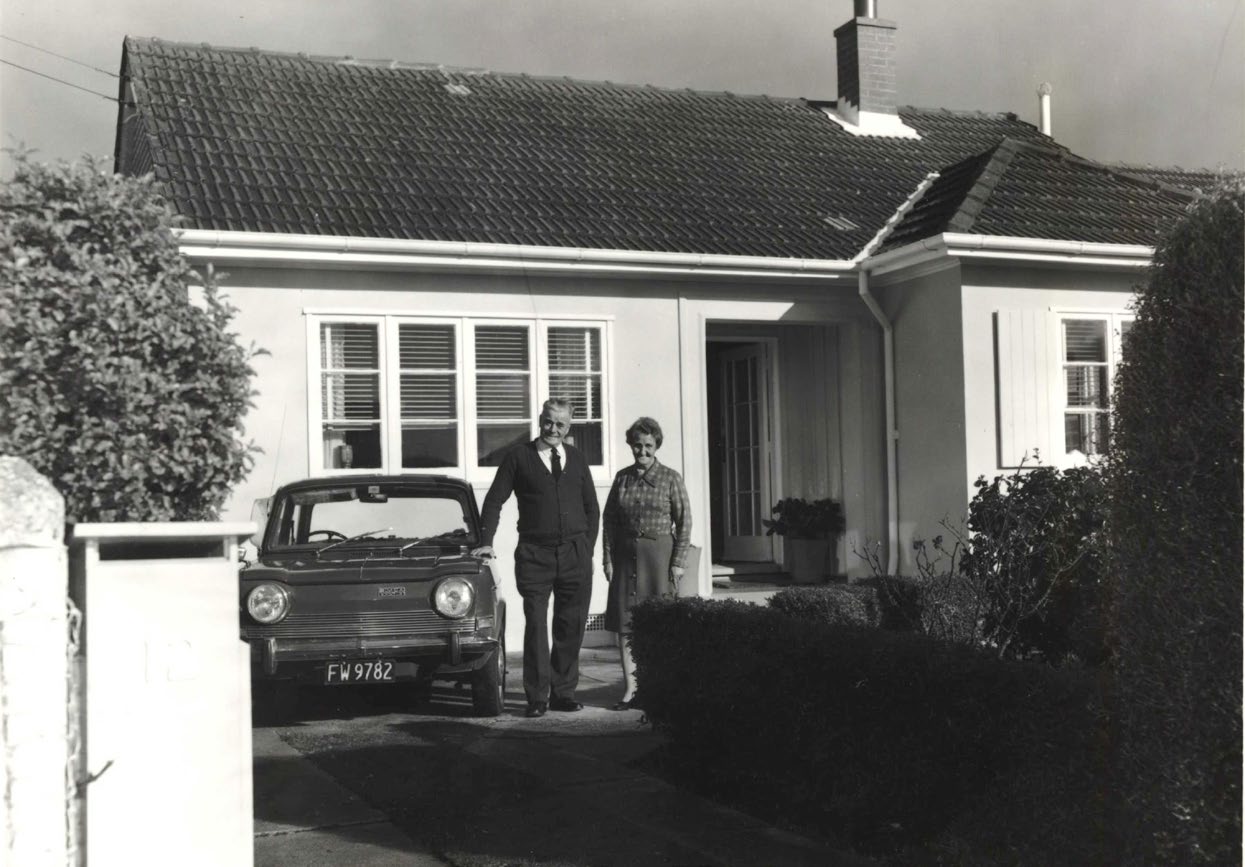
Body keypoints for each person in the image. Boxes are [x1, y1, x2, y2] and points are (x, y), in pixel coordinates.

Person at [472, 398, 601, 718]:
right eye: (548, 422)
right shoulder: (519, 457)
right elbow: (493, 501)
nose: (553, 429)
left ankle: (563, 692)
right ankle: (537, 697)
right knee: (537, 626)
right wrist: (486, 542)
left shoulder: (577, 458)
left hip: (574, 554)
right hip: (535, 555)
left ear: (569, 427)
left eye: (561, 424)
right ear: (540, 420)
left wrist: (587, 549)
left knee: (570, 625)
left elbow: (592, 509)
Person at [602, 416, 691, 710]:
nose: (642, 451)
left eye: (648, 446)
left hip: (659, 558)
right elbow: (610, 521)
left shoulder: (671, 478)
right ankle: (631, 690)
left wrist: (677, 562)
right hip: (626, 559)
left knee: (659, 624)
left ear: (657, 446)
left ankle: (658, 688)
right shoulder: (622, 478)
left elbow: (685, 521)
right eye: (637, 446)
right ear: (631, 446)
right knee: (626, 626)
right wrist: (607, 558)